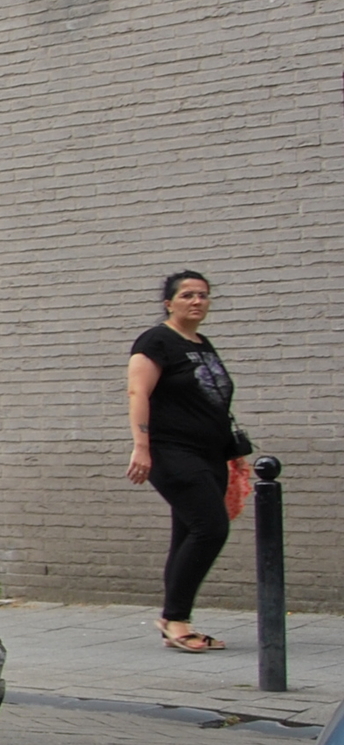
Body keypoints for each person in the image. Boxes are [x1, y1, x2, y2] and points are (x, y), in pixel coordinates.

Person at [126, 270, 241, 652]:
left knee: (188, 532)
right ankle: (174, 618)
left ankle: (177, 618)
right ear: (168, 303)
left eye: (203, 295)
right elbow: (137, 392)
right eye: (188, 295)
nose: (197, 301)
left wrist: (233, 455)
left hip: (210, 454)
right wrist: (141, 446)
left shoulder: (202, 343)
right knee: (211, 528)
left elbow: (213, 404)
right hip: (171, 451)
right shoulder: (155, 341)